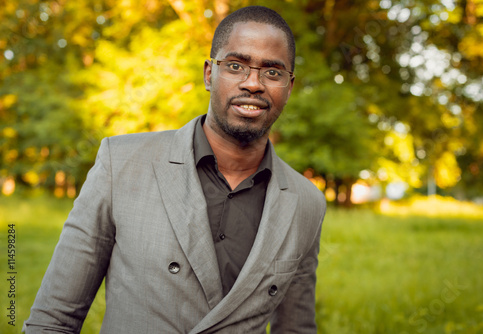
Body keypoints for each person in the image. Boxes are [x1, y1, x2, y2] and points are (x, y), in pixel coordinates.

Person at [25, 5, 326, 333]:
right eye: (236, 65)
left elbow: (296, 329)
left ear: (289, 86)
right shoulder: (120, 164)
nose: (253, 83)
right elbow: (53, 319)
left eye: (272, 72)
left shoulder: (306, 202)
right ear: (209, 74)